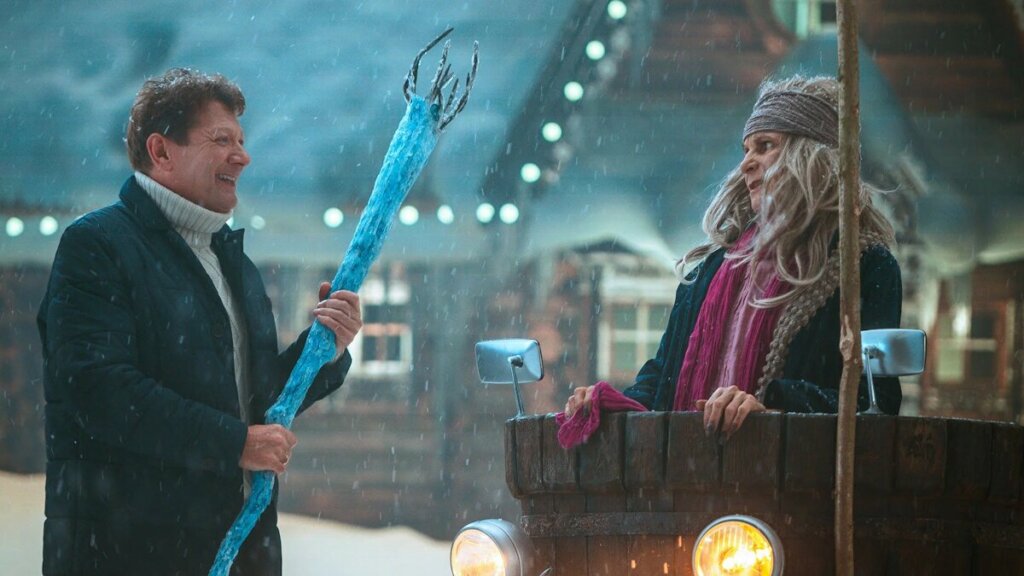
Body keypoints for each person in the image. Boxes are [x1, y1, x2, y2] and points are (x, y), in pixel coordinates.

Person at [37, 68, 363, 575]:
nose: (243, 156)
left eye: (242, 141)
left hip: (240, 553)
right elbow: (100, 391)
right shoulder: (97, 246)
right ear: (161, 151)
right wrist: (235, 444)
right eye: (221, 140)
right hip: (129, 555)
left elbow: (255, 400)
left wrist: (325, 349)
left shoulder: (234, 263)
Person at [563, 75, 901, 441]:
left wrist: (773, 410)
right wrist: (609, 404)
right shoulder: (709, 272)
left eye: (765, 146)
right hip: (688, 466)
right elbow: (663, 379)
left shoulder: (864, 267)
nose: (746, 164)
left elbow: (875, 403)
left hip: (790, 472)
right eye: (746, 150)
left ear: (810, 155)